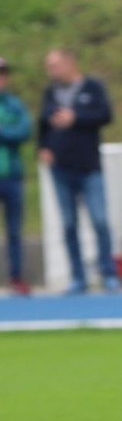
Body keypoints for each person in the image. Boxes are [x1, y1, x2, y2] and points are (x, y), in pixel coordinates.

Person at [38, 48, 120, 295]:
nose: (51, 71)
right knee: (68, 224)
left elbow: (105, 115)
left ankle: (108, 273)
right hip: (61, 168)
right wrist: (43, 148)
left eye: (55, 65)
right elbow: (42, 124)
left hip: (89, 165)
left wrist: (76, 118)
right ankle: (78, 277)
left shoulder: (92, 88)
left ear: (70, 63)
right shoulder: (51, 93)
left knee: (100, 220)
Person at [0, 57, 33, 296]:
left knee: (14, 230)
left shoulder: (14, 105)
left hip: (11, 175)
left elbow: (24, 131)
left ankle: (17, 276)